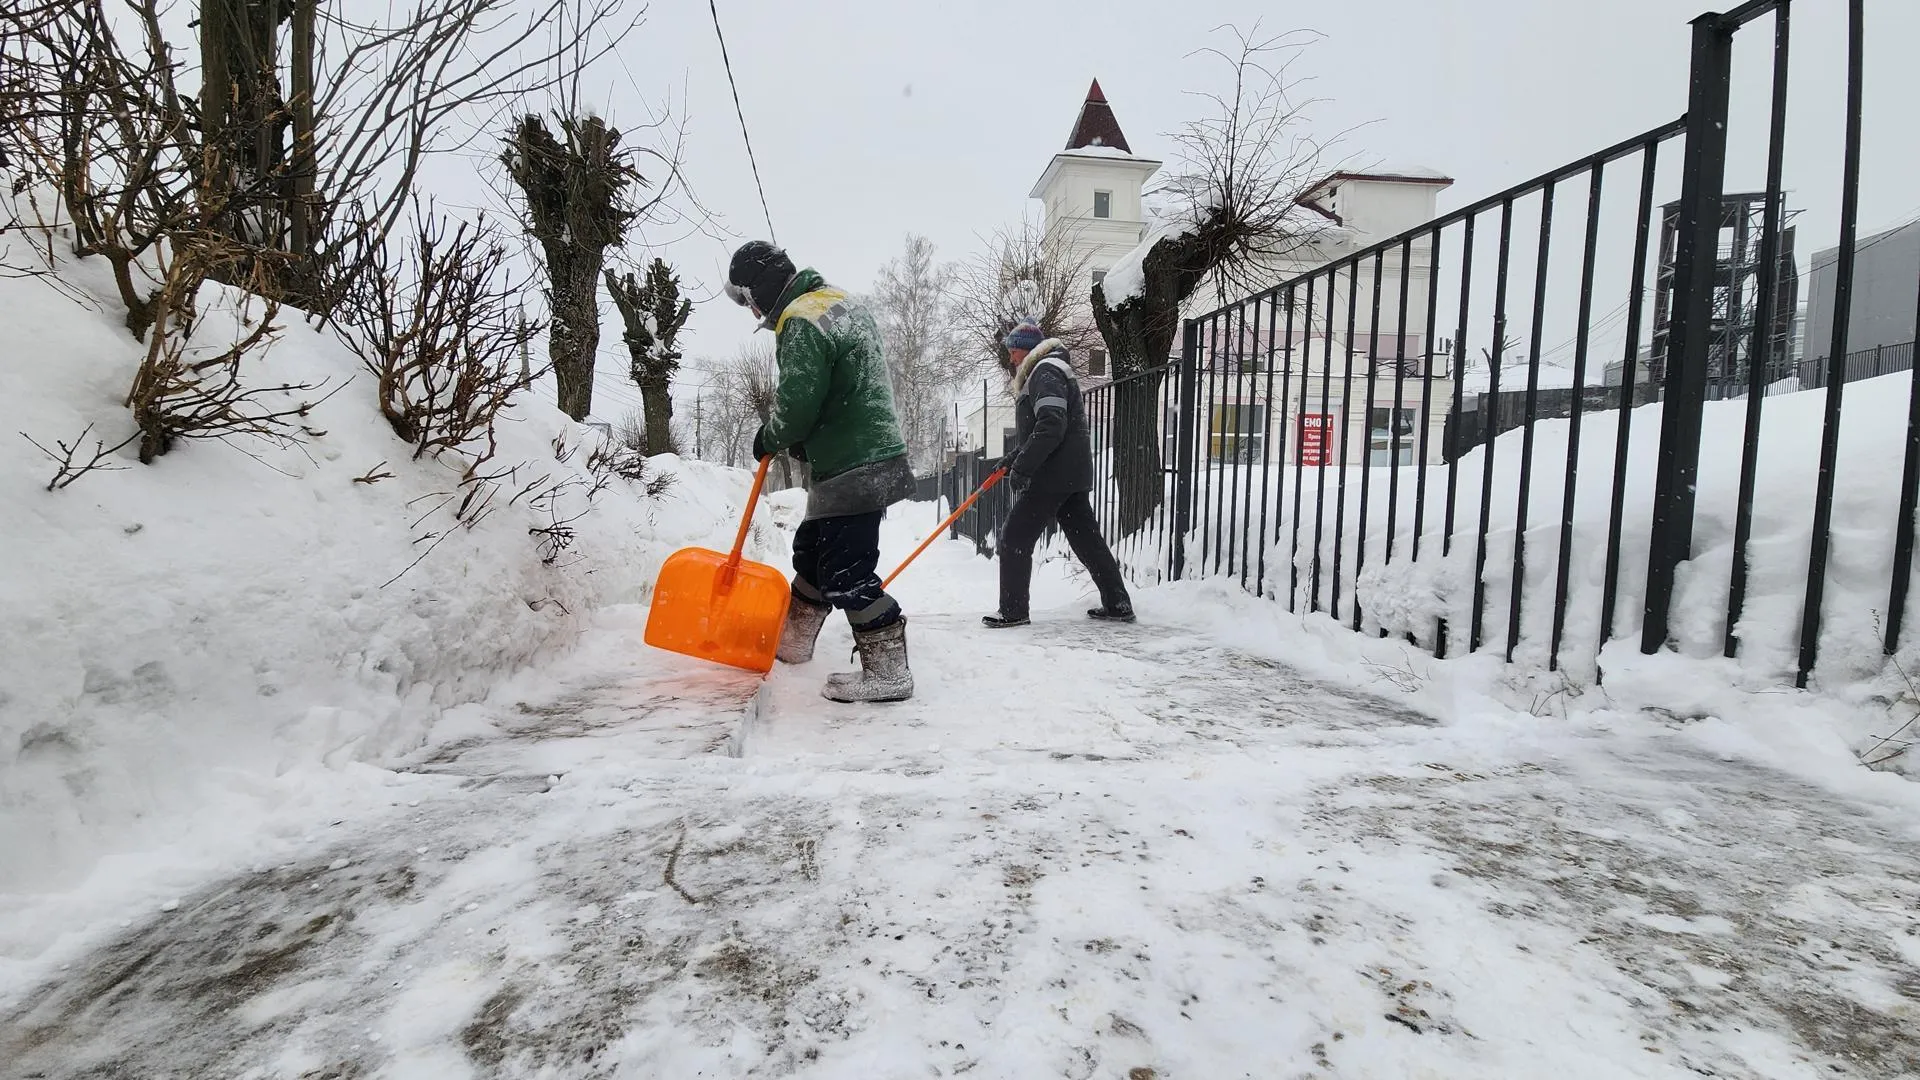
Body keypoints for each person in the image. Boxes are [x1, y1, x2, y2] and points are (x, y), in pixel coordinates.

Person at [725, 241, 918, 702]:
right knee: (813, 552)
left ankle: (890, 672)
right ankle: (793, 643)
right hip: (866, 455)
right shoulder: (836, 302)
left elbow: (797, 405)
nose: (753, 311)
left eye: (749, 300)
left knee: (846, 573)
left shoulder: (800, 320)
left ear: (760, 290)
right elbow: (839, 385)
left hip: (853, 463)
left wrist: (770, 436)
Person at [984, 320, 1135, 629]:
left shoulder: (1045, 371)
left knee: (1015, 536)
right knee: (1086, 540)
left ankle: (1013, 611)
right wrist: (1012, 460)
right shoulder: (1048, 370)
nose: (1011, 359)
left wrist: (1024, 467)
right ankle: (1117, 603)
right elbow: (1040, 430)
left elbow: (1051, 424)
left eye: (1014, 352)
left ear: (1027, 350)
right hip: (1069, 472)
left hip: (1052, 474)